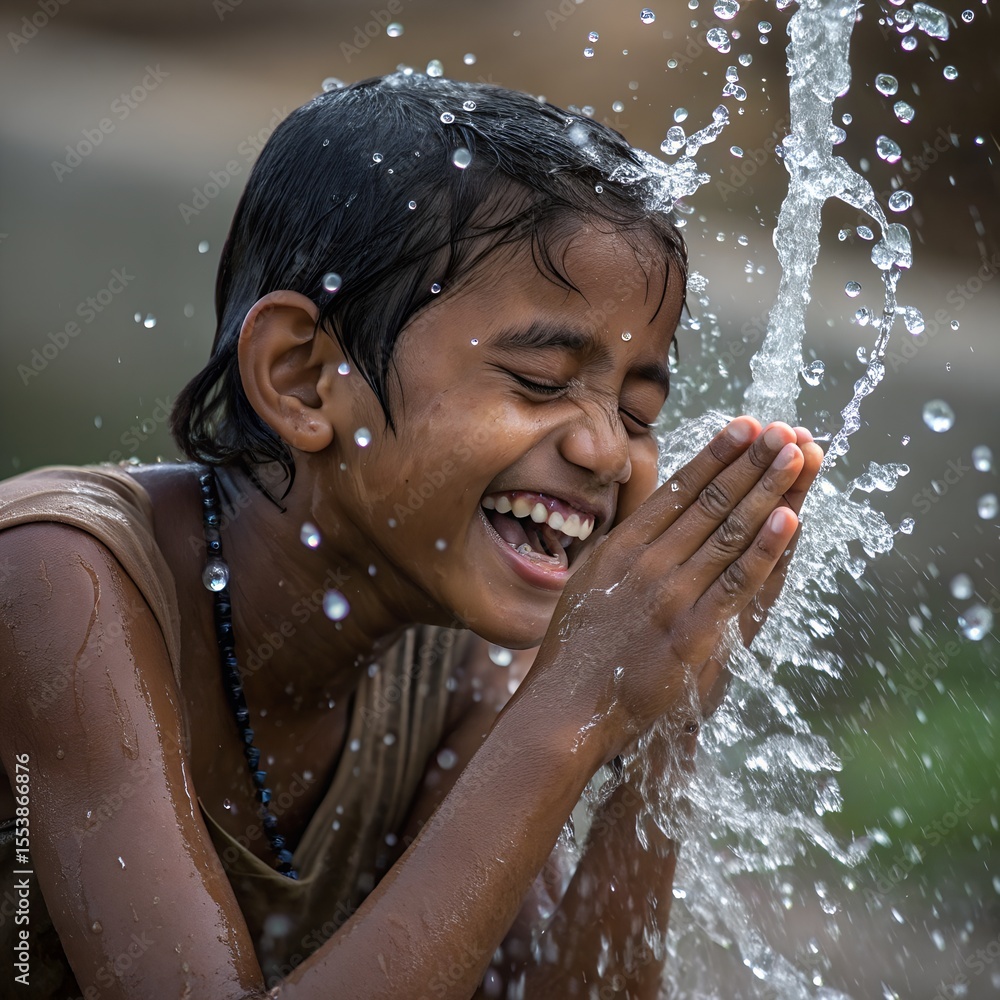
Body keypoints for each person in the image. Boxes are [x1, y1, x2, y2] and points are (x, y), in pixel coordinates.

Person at [0, 72, 822, 999]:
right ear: (305, 378)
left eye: (637, 412)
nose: (604, 451)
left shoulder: (451, 684)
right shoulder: (55, 585)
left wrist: (661, 718)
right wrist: (572, 704)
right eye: (541, 383)